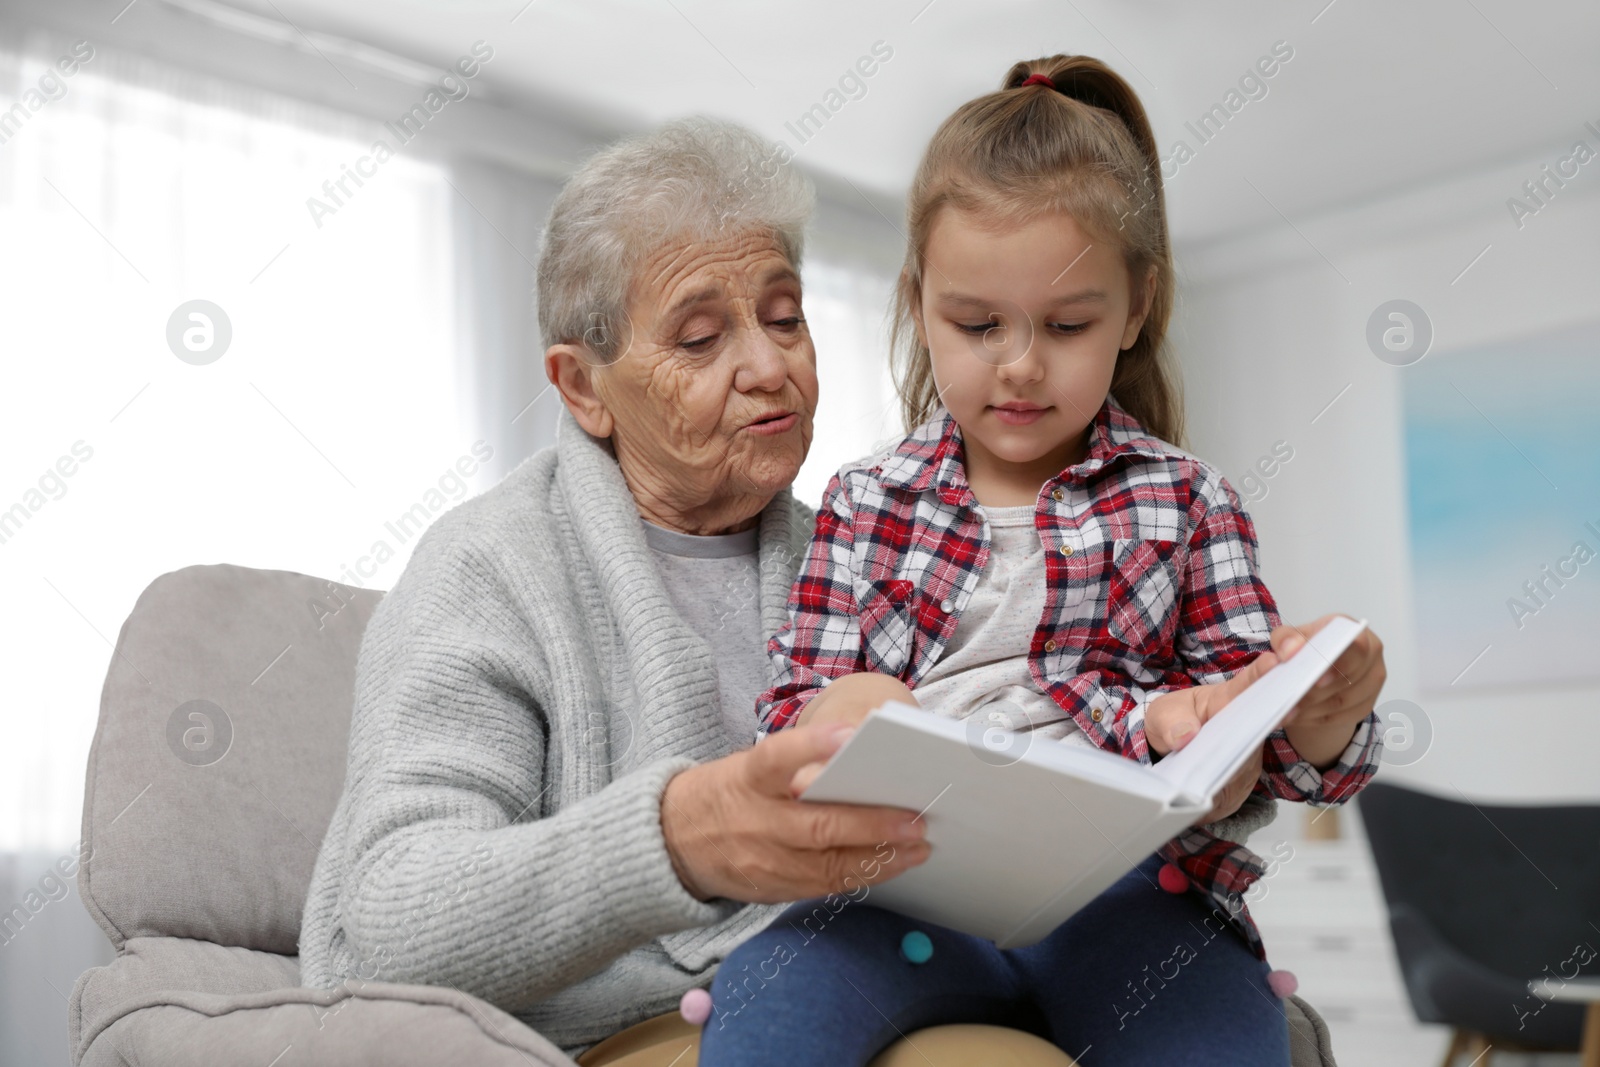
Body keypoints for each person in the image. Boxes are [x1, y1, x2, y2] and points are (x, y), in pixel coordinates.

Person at [697, 55, 1385, 1067]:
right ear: (919, 301)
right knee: (764, 1013)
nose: (1019, 363)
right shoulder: (866, 498)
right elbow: (790, 709)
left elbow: (1257, 746)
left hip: (1131, 905)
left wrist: (1306, 716)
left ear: (1137, 306)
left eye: (1068, 326)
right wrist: (835, 714)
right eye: (975, 325)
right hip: (900, 891)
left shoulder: (1187, 501)